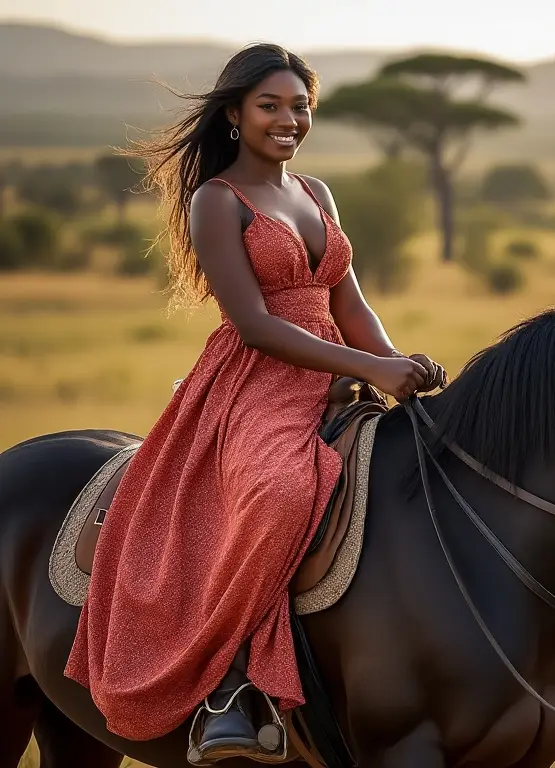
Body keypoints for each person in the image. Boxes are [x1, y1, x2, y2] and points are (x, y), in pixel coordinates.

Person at [62, 43, 445, 764]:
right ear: (235, 115)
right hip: (257, 382)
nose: (288, 119)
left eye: (300, 106)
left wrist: (395, 363)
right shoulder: (217, 200)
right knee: (277, 491)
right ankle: (231, 686)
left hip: (336, 367)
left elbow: (349, 300)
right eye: (270, 106)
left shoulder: (317, 194)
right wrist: (368, 366)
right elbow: (256, 324)